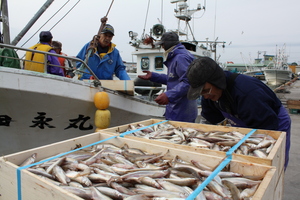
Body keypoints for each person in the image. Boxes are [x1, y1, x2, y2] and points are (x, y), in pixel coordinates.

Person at [186, 56, 291, 170]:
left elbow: (267, 131)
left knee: (271, 164)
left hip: (271, 121)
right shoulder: (210, 95)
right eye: (201, 93)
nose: (206, 96)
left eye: (206, 90)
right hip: (243, 124)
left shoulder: (248, 93)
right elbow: (209, 120)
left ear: (217, 81)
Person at [138, 32, 198, 123]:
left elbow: (189, 82)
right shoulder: (178, 55)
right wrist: (154, 76)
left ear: (167, 43)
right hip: (180, 110)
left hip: (181, 112)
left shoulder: (180, 57)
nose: (162, 47)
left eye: (162, 44)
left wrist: (168, 95)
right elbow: (174, 79)